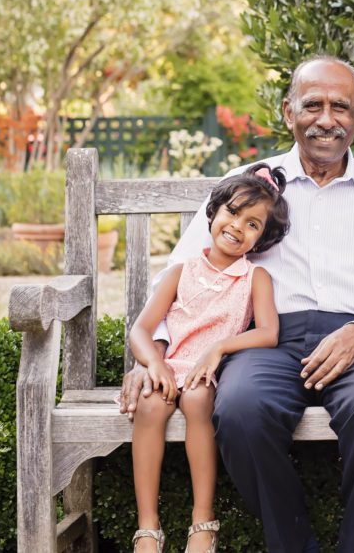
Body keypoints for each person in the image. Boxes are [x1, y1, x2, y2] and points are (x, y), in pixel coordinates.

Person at [118, 56, 354, 553]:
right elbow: (185, 272)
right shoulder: (247, 185)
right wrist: (156, 358)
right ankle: (292, 544)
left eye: (340, 106)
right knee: (239, 410)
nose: (327, 118)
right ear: (287, 112)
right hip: (267, 337)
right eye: (312, 105)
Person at [128, 164, 290, 553]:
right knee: (150, 405)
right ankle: (147, 525)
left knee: (198, 400)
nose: (237, 226)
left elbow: (269, 333)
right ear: (214, 212)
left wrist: (219, 348)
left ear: (262, 239)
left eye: (253, 224)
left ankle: (203, 519)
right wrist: (154, 363)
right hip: (171, 364)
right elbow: (140, 330)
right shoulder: (180, 272)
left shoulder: (256, 278)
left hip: (210, 372)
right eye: (232, 213)